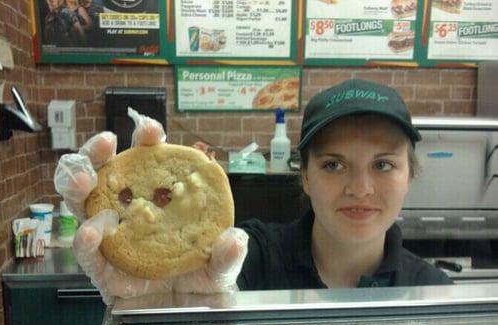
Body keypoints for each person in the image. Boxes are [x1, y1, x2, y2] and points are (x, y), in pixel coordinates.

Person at [54, 79, 451, 305]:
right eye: (333, 164)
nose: (361, 188)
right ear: (306, 177)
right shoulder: (243, 260)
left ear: (409, 175)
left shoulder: (435, 294)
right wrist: (160, 305)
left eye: (383, 164)